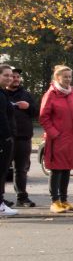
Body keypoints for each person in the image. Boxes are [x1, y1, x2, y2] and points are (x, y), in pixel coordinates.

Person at [38, 65, 73, 214]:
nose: (68, 79)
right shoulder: (50, 94)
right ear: (57, 78)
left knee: (66, 169)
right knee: (56, 170)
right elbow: (43, 117)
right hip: (57, 139)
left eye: (70, 76)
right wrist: (54, 134)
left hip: (72, 139)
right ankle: (55, 201)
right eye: (65, 76)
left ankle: (64, 200)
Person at [6, 66, 39, 208]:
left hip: (23, 137)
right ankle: (2, 199)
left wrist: (28, 107)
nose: (16, 79)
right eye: (13, 76)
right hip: (6, 138)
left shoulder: (26, 94)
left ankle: (22, 197)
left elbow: (36, 112)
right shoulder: (2, 94)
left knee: (21, 169)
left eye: (18, 77)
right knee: (2, 170)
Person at [0, 65, 18, 216]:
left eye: (11, 76)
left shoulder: (3, 93)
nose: (9, 78)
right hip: (2, 139)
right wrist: (7, 137)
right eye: (6, 75)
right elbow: (2, 118)